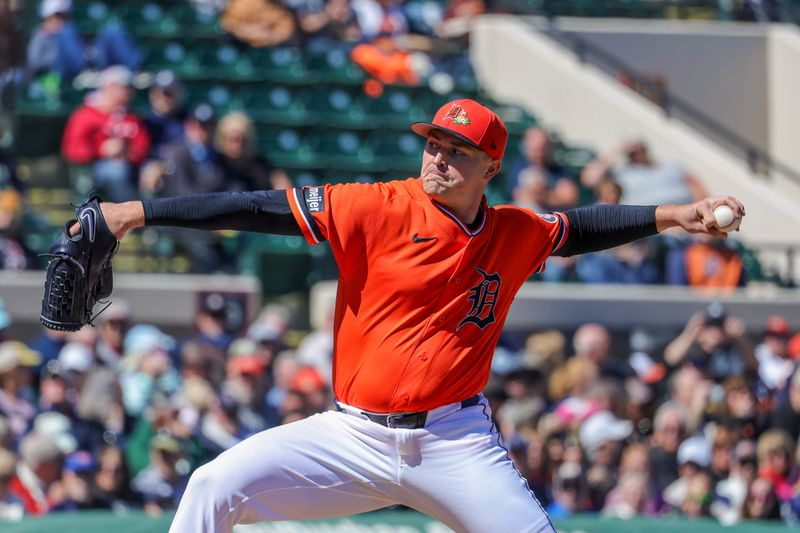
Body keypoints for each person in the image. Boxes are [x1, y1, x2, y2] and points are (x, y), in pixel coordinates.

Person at [67, 98, 745, 532]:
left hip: (454, 441)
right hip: (350, 434)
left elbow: (581, 225)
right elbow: (259, 207)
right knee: (214, 483)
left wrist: (674, 217)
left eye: (457, 151)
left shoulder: (514, 230)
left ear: (491, 167)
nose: (439, 157)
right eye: (433, 144)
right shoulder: (378, 205)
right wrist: (136, 212)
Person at [61, 65, 150, 202]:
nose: (129, 92)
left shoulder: (132, 116)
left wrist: (128, 153)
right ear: (109, 88)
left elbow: (143, 146)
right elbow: (72, 149)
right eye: (124, 87)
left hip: (131, 165)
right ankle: (129, 214)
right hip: (94, 168)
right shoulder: (85, 115)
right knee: (116, 172)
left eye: (129, 88)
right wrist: (101, 150)